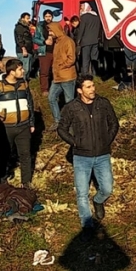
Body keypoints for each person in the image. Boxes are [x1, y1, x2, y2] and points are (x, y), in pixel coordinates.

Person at [57, 75, 119, 230]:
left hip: (102, 154)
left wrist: (107, 140)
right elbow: (61, 129)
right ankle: (87, 225)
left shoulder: (103, 103)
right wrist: (75, 142)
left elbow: (114, 123)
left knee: (107, 188)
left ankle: (98, 201)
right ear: (80, 90)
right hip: (81, 157)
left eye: (93, 86)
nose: (92, 89)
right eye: (88, 87)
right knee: (82, 193)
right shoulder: (71, 107)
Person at [0, 60, 35, 187]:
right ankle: (0, 179)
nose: (23, 71)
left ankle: (26, 182)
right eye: (20, 69)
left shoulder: (24, 85)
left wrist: (31, 123)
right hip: (5, 127)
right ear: (11, 71)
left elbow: (30, 104)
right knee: (3, 154)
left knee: (25, 154)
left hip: (24, 126)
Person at [47, 22, 76, 130]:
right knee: (51, 98)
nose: (49, 33)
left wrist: (61, 66)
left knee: (69, 102)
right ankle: (58, 121)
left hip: (67, 77)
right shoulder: (57, 42)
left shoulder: (68, 41)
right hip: (57, 77)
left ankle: (73, 125)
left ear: (56, 30)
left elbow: (71, 59)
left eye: (51, 31)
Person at [75, 3, 102, 75]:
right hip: (95, 41)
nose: (80, 9)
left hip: (86, 42)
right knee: (94, 58)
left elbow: (81, 30)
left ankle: (85, 74)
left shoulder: (84, 17)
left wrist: (78, 40)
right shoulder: (97, 17)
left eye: (81, 8)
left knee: (85, 59)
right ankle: (95, 73)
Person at [34, 9, 55, 95]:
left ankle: (54, 89)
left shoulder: (55, 26)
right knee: (44, 71)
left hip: (55, 51)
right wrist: (43, 42)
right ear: (43, 17)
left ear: (52, 17)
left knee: (54, 71)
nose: (48, 18)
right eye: (46, 16)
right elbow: (35, 38)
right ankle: (44, 89)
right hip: (44, 52)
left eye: (49, 16)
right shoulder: (40, 26)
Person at [14, 13, 33, 79]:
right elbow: (20, 39)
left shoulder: (26, 28)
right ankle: (22, 84)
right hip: (23, 51)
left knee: (28, 69)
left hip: (29, 50)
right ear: (22, 18)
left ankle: (25, 84)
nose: (29, 20)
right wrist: (23, 49)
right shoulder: (20, 27)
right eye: (27, 18)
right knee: (24, 70)